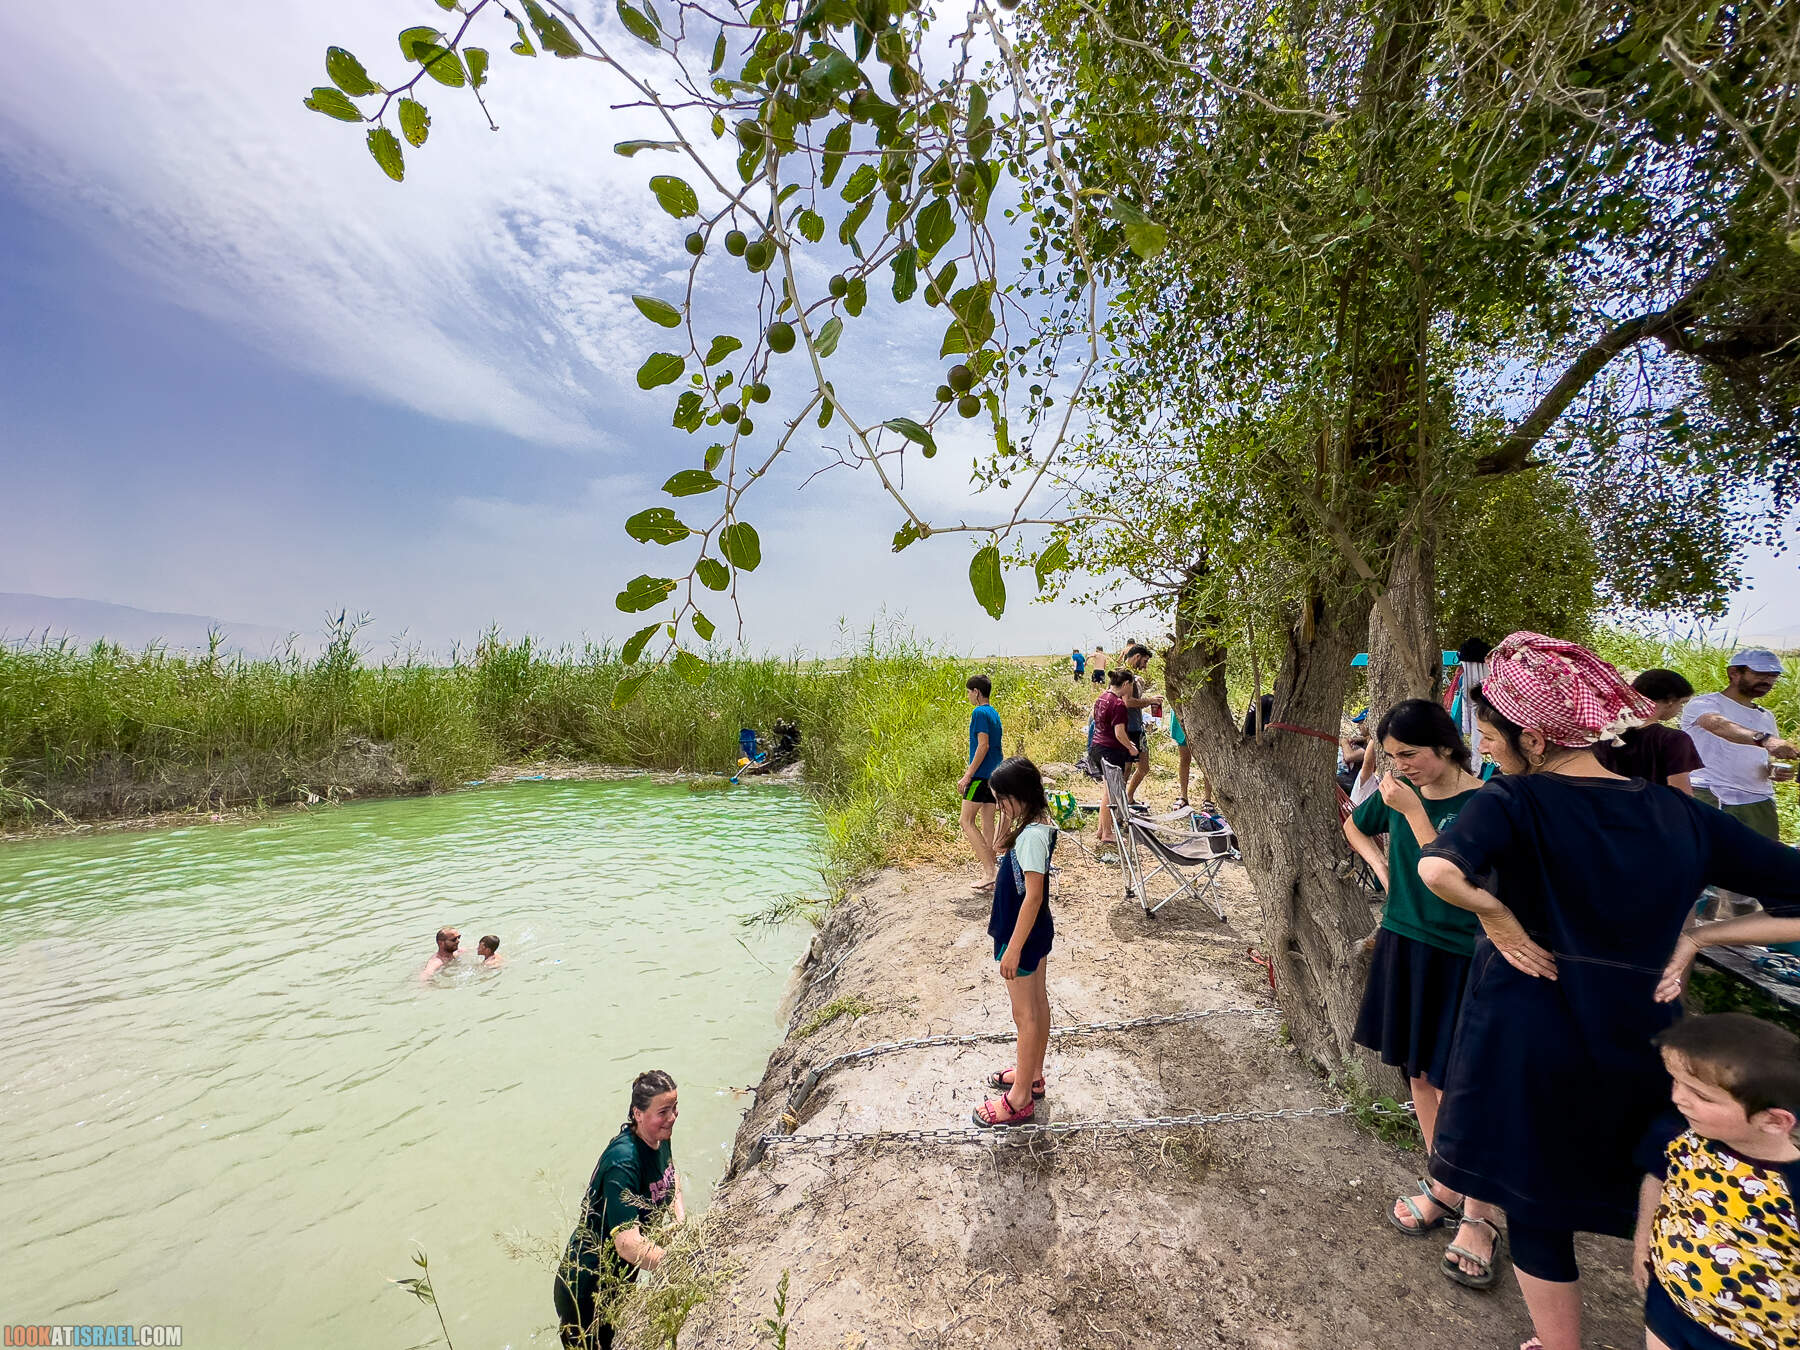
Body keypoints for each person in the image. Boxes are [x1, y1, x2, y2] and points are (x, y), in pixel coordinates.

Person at [1413, 632, 1800, 1350]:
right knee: (1641, 1178)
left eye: (1494, 739)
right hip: (1642, 1034)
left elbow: (1438, 872)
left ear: (1532, 736)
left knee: (1535, 1204)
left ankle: (1560, 1344)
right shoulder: (1681, 814)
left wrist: (1497, 916)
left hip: (1529, 1033)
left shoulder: (1515, 801)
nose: (1489, 752)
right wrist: (1701, 939)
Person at [1342, 701, 1491, 1243]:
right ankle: (1443, 1182)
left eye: (1411, 754)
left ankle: (1480, 1213)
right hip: (1405, 940)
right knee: (1420, 1074)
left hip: (1462, 951)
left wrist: (1412, 814)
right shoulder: (1397, 794)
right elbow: (1354, 827)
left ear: (1446, 746)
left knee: (1462, 1084)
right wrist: (1381, 866)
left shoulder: (1483, 802)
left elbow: (1457, 870)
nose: (1401, 765)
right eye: (1393, 755)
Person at [1633, 1014, 1800, 1350]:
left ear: (1773, 1121)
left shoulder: (1793, 1185)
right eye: (1676, 1082)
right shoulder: (1679, 1137)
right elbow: (1657, 1179)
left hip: (1754, 1339)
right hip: (1669, 1305)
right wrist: (1641, 1243)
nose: (1678, 1098)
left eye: (1701, 1096)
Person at [554, 1070, 684, 1349]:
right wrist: (682, 1263)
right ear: (638, 1113)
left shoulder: (660, 1137)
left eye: (675, 1108)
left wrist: (681, 1224)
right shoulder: (623, 1162)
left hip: (621, 1279)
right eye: (663, 1111)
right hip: (587, 1288)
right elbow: (628, 1245)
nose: (672, 1117)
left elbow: (671, 1180)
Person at [974, 757, 1056, 1128]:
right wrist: (1009, 818)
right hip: (1034, 931)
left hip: (1022, 935)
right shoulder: (1035, 826)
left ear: (1016, 796)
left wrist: (1013, 947)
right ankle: (1032, 1075)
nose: (1000, 807)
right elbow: (1001, 846)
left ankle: (1019, 1099)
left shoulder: (1033, 838)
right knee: (1036, 1005)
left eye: (1002, 801)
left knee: (1024, 1015)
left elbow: (1033, 895)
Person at [1682, 649, 1799, 839]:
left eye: (1773, 676)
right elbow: (1718, 725)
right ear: (1734, 673)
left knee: (1763, 862)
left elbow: (1756, 756)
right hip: (1712, 793)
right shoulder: (1705, 703)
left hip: (1758, 799)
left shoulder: (1765, 716)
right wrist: (1766, 740)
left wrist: (1773, 771)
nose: (1768, 681)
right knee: (1712, 860)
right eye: (1760, 674)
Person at [1592, 668, 1702, 793]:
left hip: (1606, 807)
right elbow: (1682, 793)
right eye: (1682, 703)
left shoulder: (1604, 734)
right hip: (1655, 809)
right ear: (1670, 701)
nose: (1680, 709)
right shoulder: (1674, 739)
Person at [958, 674, 1004, 892]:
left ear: (976, 692)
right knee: (987, 822)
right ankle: (991, 872)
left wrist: (968, 775)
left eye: (969, 691)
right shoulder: (994, 712)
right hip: (995, 774)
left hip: (981, 776)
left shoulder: (979, 712)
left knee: (965, 821)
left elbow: (983, 745)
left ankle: (989, 871)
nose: (968, 696)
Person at [1091, 669, 1140, 854]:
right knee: (1110, 793)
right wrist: (1131, 748)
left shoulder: (1101, 697)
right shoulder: (1118, 704)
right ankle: (1107, 833)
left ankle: (1101, 829)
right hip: (1110, 749)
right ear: (1126, 684)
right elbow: (1119, 733)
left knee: (1107, 789)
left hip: (1097, 746)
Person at [1119, 644, 1156, 805]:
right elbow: (1126, 702)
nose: (1145, 665)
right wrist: (1150, 701)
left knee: (1144, 767)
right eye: (1145, 661)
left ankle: (1128, 797)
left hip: (1137, 727)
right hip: (1127, 728)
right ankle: (1120, 805)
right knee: (1125, 769)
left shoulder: (1133, 677)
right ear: (1136, 657)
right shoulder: (1124, 675)